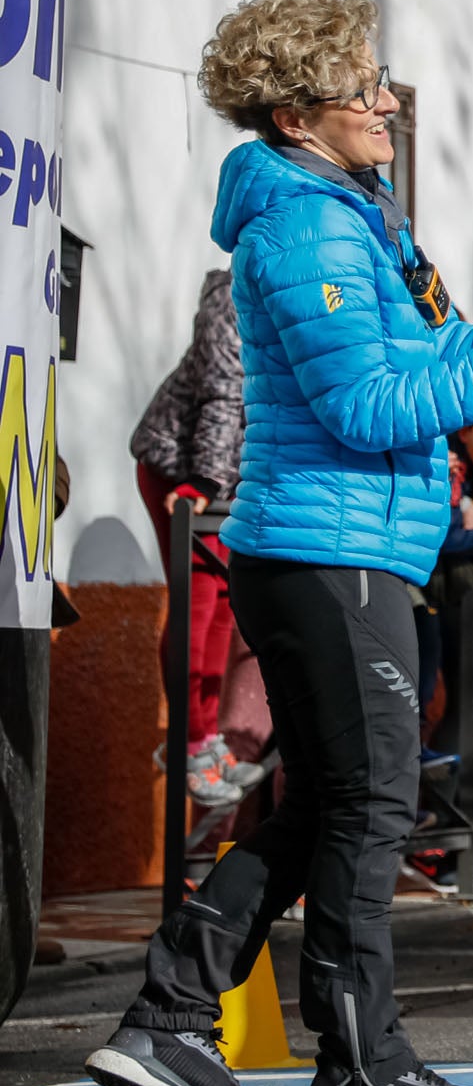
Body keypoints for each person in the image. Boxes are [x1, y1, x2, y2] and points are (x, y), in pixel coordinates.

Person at [90, 0, 473, 1086]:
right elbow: (364, 402)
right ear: (299, 111)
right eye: (363, 85)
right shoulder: (306, 225)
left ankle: (166, 1022)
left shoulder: (356, 213)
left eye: (382, 78)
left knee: (320, 809)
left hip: (342, 552)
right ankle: (359, 1064)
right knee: (370, 804)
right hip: (327, 553)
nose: (387, 98)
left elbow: (437, 349)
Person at [131, 268, 262, 810]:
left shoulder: (300, 297)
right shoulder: (230, 297)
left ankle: (204, 740)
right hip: (182, 470)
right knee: (199, 602)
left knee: (226, 605)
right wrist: (205, 481)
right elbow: (223, 393)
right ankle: (186, 742)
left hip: (229, 477)